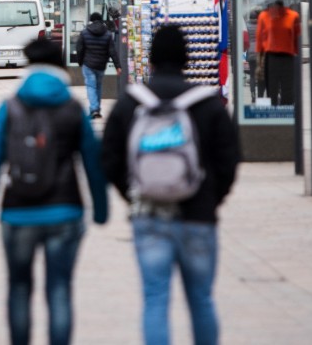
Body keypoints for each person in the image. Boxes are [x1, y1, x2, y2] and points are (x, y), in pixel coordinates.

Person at [101, 25, 240, 345]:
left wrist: (134, 193)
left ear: (150, 60)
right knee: (202, 300)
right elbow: (229, 159)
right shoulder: (207, 104)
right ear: (186, 59)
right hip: (199, 216)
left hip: (150, 215)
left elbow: (109, 157)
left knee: (155, 300)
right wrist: (211, 198)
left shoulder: (131, 103)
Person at [0, 37, 108, 345]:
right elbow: (93, 163)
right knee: (59, 288)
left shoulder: (9, 108)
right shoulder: (73, 109)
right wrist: (101, 210)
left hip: (17, 212)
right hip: (66, 210)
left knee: (19, 288)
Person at [256, 0, 299, 106]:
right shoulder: (264, 17)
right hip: (271, 57)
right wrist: (259, 63)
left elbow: (297, 39)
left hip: (288, 57)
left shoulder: (293, 16)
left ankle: (287, 115)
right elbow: (259, 41)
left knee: (288, 91)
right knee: (272, 90)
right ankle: (273, 115)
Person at [77, 14, 120, 120]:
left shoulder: (84, 33)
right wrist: (117, 66)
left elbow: (79, 49)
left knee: (91, 86)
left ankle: (94, 109)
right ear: (101, 21)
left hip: (88, 64)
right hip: (101, 65)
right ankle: (97, 109)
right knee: (98, 86)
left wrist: (80, 62)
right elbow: (112, 51)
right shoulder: (108, 34)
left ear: (91, 21)